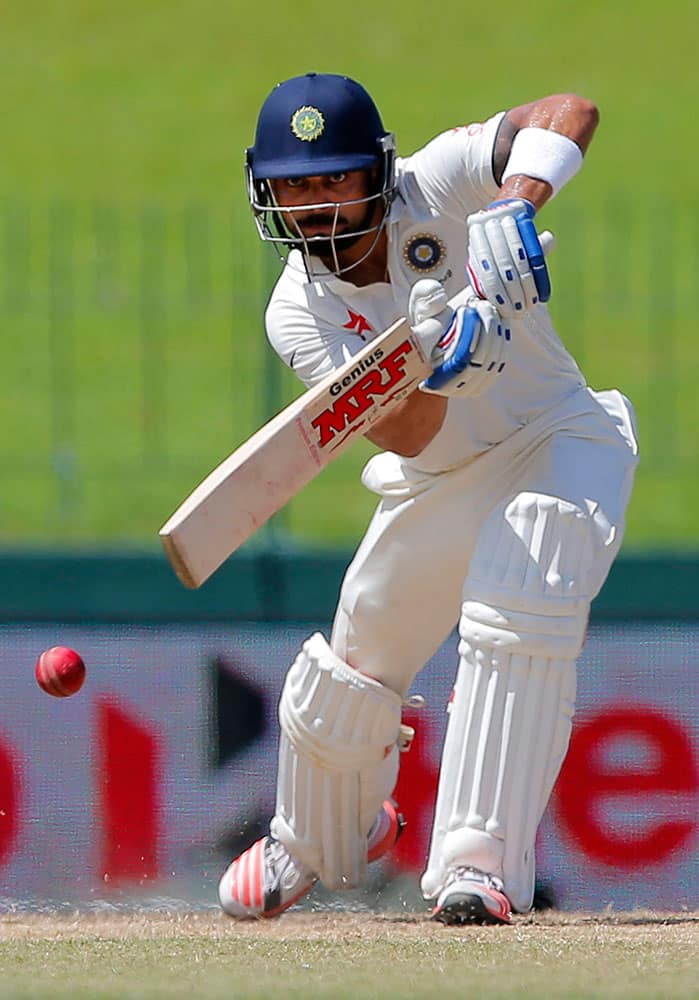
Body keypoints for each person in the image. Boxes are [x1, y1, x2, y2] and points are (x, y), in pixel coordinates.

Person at [217, 72, 639, 924]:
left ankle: (475, 867)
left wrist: (512, 206)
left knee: (520, 591)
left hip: (557, 437)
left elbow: (570, 111)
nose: (316, 209)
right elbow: (407, 435)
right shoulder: (297, 312)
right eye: (294, 188)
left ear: (378, 173)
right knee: (353, 667)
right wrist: (445, 361)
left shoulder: (436, 179)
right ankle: (315, 834)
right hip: (440, 474)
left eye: (334, 180)